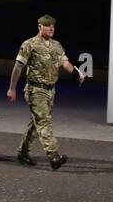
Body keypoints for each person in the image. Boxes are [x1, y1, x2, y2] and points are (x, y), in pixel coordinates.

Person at [7, 14, 84, 169]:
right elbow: (18, 67)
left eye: (53, 26)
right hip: (35, 89)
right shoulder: (30, 44)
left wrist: (77, 73)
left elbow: (65, 62)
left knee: (36, 124)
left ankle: (22, 153)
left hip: (50, 91)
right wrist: (12, 88)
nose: (51, 28)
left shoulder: (56, 45)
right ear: (40, 27)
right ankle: (53, 155)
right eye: (48, 26)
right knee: (43, 121)